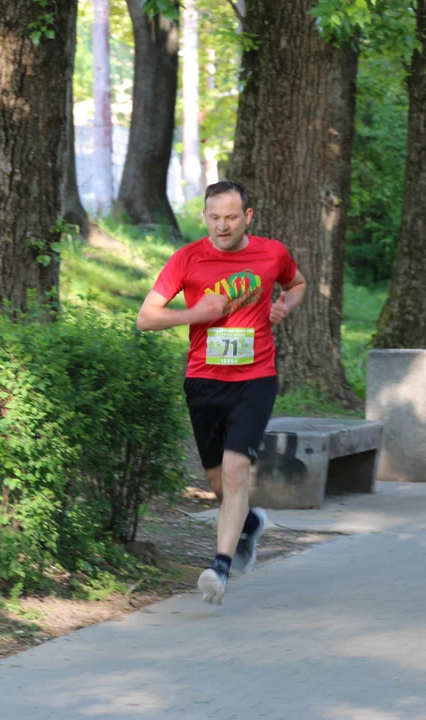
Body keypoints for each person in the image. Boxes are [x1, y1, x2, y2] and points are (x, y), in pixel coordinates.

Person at [136, 181, 307, 604]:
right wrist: (195, 313)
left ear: (248, 217)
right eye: (214, 218)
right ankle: (249, 525)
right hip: (203, 381)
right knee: (217, 483)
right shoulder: (187, 258)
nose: (222, 226)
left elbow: (297, 282)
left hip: (255, 380)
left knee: (234, 473)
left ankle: (220, 568)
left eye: (231, 217)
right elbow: (145, 318)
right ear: (205, 217)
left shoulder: (272, 253)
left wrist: (284, 305)